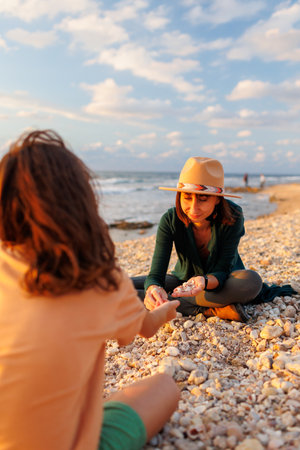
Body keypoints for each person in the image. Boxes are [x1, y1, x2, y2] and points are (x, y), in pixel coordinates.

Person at [0, 130, 180, 450]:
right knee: (165, 386)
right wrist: (165, 310)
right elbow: (148, 327)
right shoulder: (102, 280)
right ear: (82, 203)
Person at [132, 157, 263, 322]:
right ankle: (212, 310)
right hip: (183, 279)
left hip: (221, 282)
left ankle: (174, 304)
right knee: (122, 285)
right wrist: (153, 288)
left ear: (217, 199)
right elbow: (156, 274)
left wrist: (204, 281)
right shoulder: (170, 219)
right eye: (187, 197)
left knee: (252, 281)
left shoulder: (233, 216)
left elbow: (223, 270)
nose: (193, 208)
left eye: (203, 199)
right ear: (179, 196)